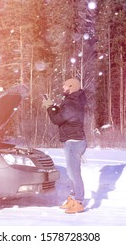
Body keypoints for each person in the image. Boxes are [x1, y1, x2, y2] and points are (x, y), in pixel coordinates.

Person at [43, 78, 87, 214]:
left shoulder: (72, 102)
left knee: (74, 174)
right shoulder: (73, 100)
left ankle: (78, 201)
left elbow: (57, 119)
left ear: (71, 87)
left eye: (65, 85)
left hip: (74, 141)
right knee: (71, 172)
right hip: (73, 140)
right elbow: (62, 115)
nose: (62, 87)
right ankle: (73, 198)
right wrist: (53, 106)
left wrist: (50, 107)